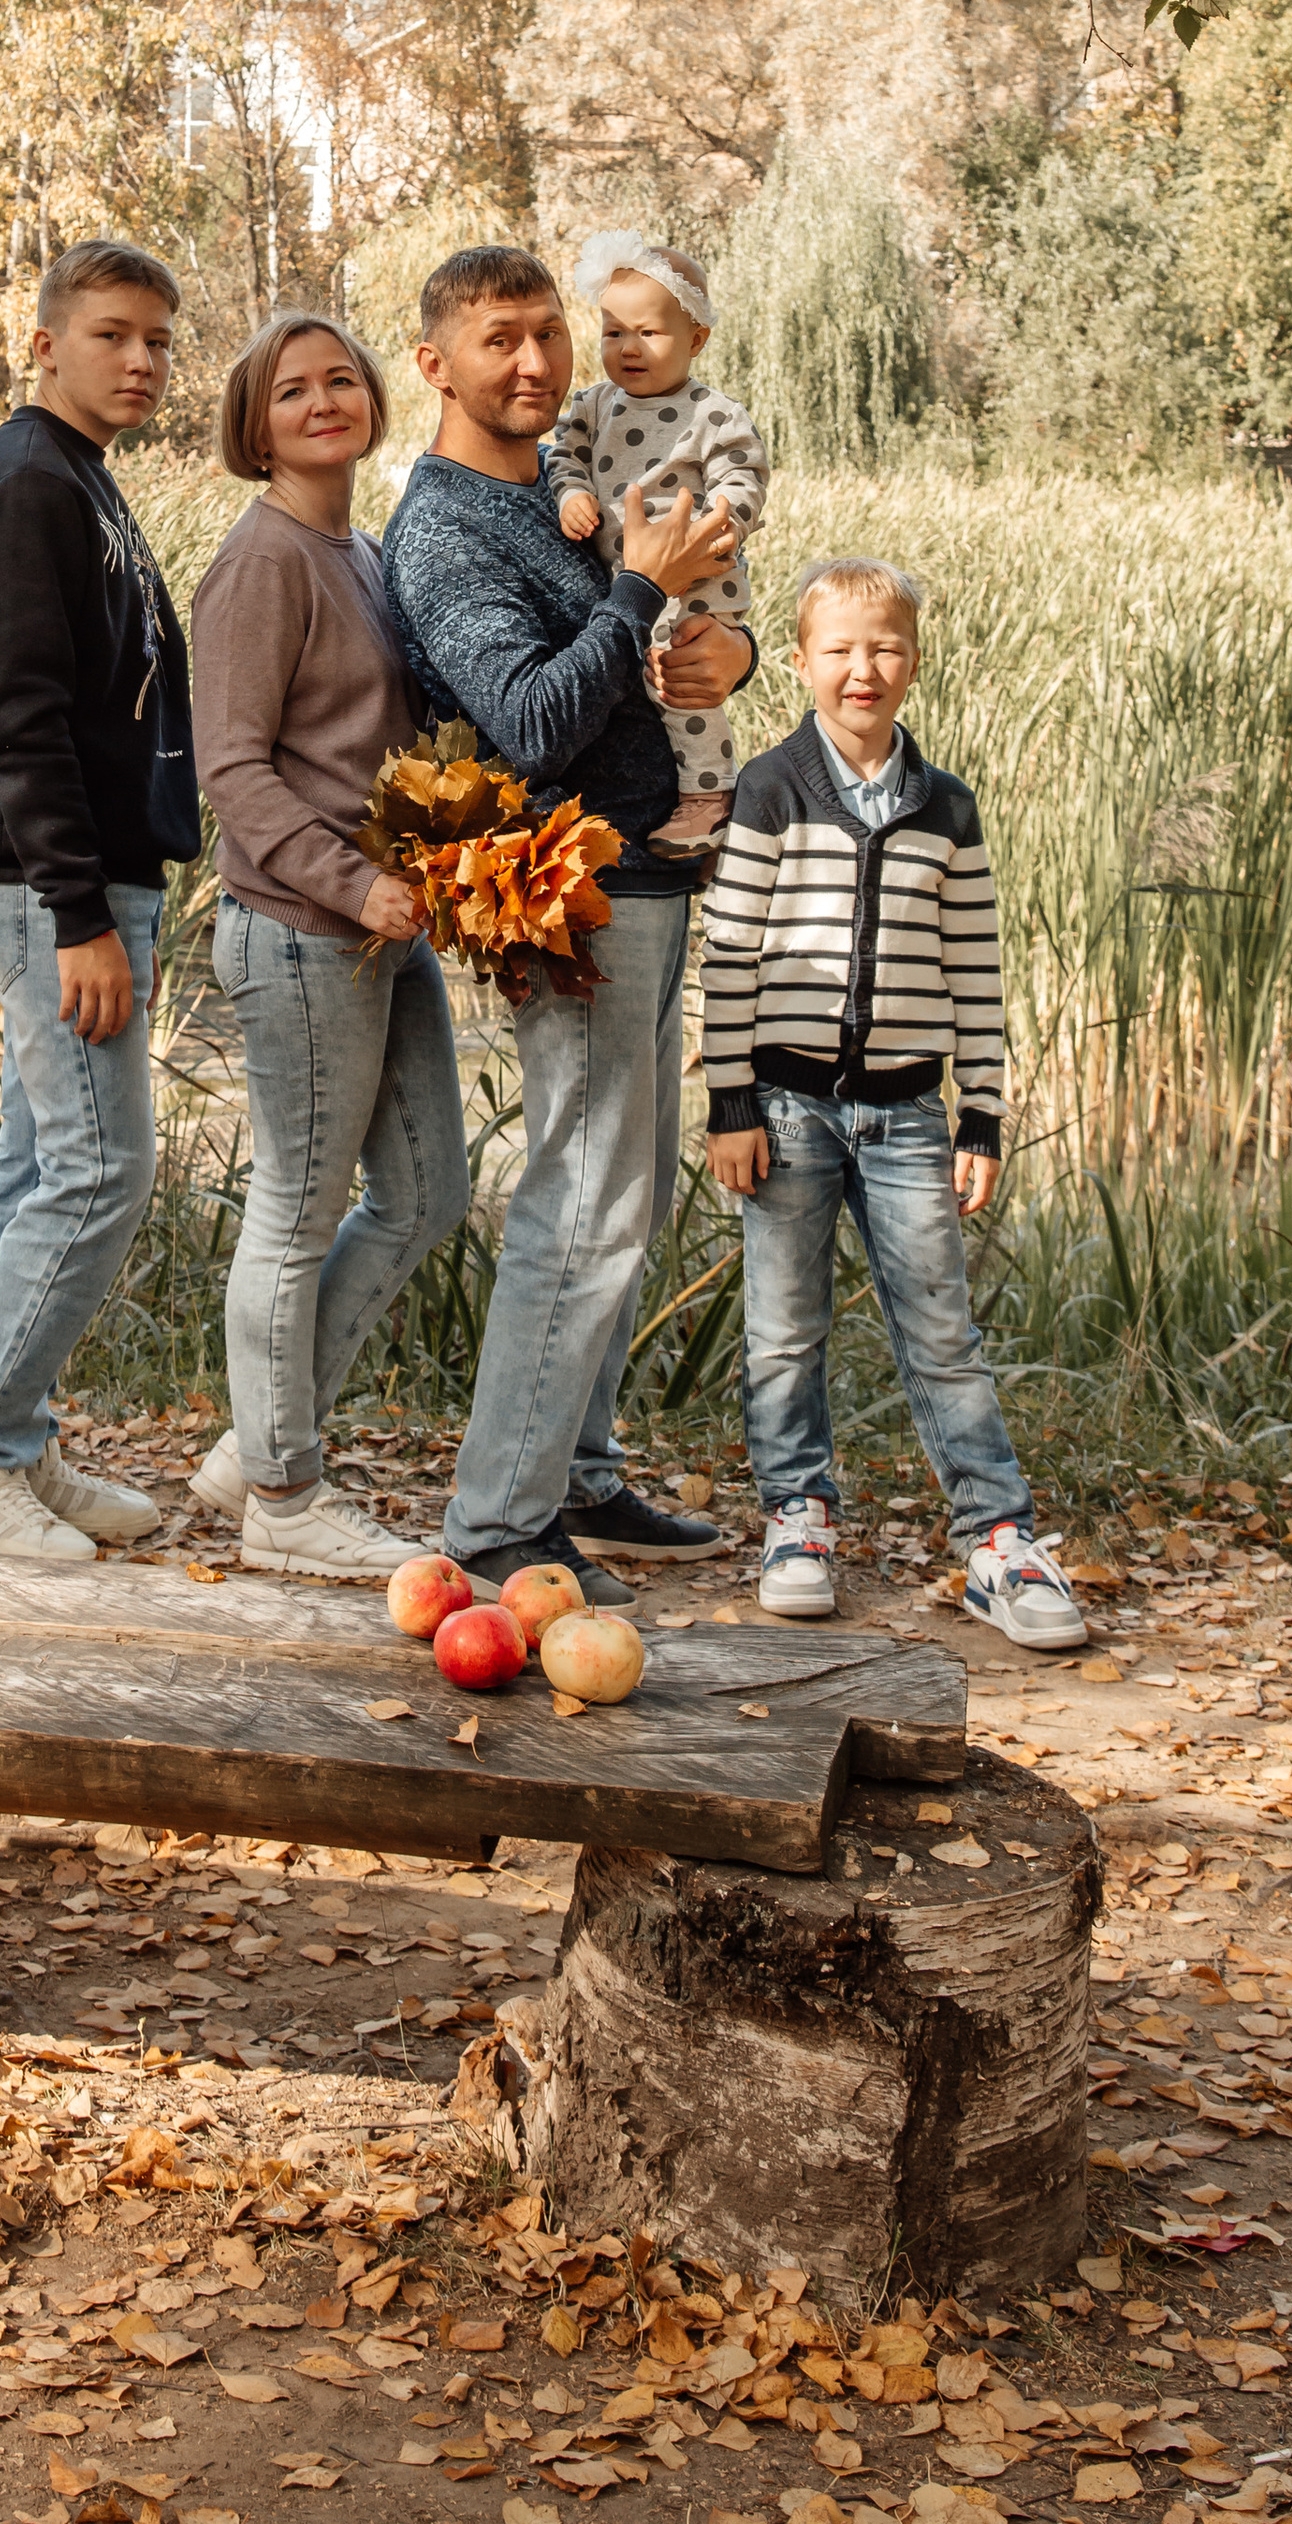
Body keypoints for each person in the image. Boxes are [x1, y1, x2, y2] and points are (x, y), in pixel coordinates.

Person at [380, 243, 749, 1607]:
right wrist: (642, 591)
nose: (536, 363)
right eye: (500, 341)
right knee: (580, 1196)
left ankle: (579, 1469)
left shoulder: (560, 482)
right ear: (436, 365)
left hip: (650, 868)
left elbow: (654, 640)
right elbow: (532, 716)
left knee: (633, 1184)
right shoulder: (444, 529)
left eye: (547, 334)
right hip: (569, 890)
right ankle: (496, 1517)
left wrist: (730, 651)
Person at [700, 555, 1085, 1650]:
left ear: (913, 661)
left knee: (940, 1330)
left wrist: (984, 1116)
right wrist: (730, 1100)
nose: (861, 671)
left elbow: (977, 970)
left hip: (909, 1116)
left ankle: (997, 1541)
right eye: (838, 650)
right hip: (784, 1109)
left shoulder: (943, 807)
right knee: (783, 1331)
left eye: (884, 649)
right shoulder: (772, 790)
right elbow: (729, 958)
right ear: (804, 660)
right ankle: (797, 1515)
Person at [0, 237, 202, 1565]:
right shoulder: (26, 486)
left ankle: (4, 1442)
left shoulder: (81, 482)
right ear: (46, 344)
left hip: (86, 876)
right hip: (45, 885)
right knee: (99, 1170)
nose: (138, 360)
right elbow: (12, 723)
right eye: (111, 335)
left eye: (155, 341)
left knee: (41, 1167)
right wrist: (78, 912)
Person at [184, 312, 472, 1579]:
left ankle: (256, 1442)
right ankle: (285, 1503)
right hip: (302, 932)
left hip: (379, 930)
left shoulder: (358, 547)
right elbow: (233, 773)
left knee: (425, 1197)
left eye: (340, 380)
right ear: (255, 425)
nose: (321, 402)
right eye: (290, 390)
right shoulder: (263, 564)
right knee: (295, 1217)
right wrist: (351, 887)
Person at [546, 232, 767, 857]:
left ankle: (709, 796)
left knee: (677, 679)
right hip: (628, 580)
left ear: (696, 339)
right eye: (614, 332)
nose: (629, 348)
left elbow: (744, 477)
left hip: (695, 574)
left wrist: (721, 523)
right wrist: (570, 496)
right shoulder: (591, 406)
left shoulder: (713, 414)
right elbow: (562, 459)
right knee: (637, 676)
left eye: (649, 332)